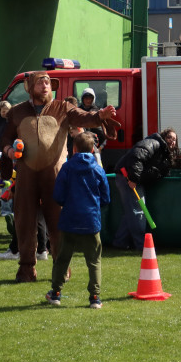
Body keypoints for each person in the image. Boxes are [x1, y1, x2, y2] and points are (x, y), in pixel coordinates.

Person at [0, 71, 117, 282]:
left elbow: (84, 117)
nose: (45, 86)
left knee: (58, 222)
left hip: (55, 174)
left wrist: (100, 116)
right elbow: (5, 138)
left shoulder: (63, 108)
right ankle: (26, 268)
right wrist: (9, 151)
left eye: (47, 82)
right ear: (30, 87)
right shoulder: (17, 112)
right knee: (24, 222)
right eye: (40, 82)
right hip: (26, 173)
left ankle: (62, 268)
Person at [45, 132, 110, 309]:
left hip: (69, 219)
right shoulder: (98, 169)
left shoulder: (67, 168)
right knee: (94, 261)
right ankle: (95, 297)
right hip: (91, 220)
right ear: (92, 149)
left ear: (73, 149)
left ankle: (56, 293)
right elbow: (106, 198)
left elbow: (58, 195)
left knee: (62, 258)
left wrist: (69, 203)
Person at [113, 128, 177, 251]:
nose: (172, 141)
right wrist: (134, 179)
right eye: (169, 138)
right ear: (164, 137)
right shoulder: (153, 143)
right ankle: (142, 245)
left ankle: (120, 242)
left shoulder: (163, 151)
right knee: (138, 211)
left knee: (132, 212)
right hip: (128, 177)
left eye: (174, 139)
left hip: (132, 178)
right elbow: (136, 157)